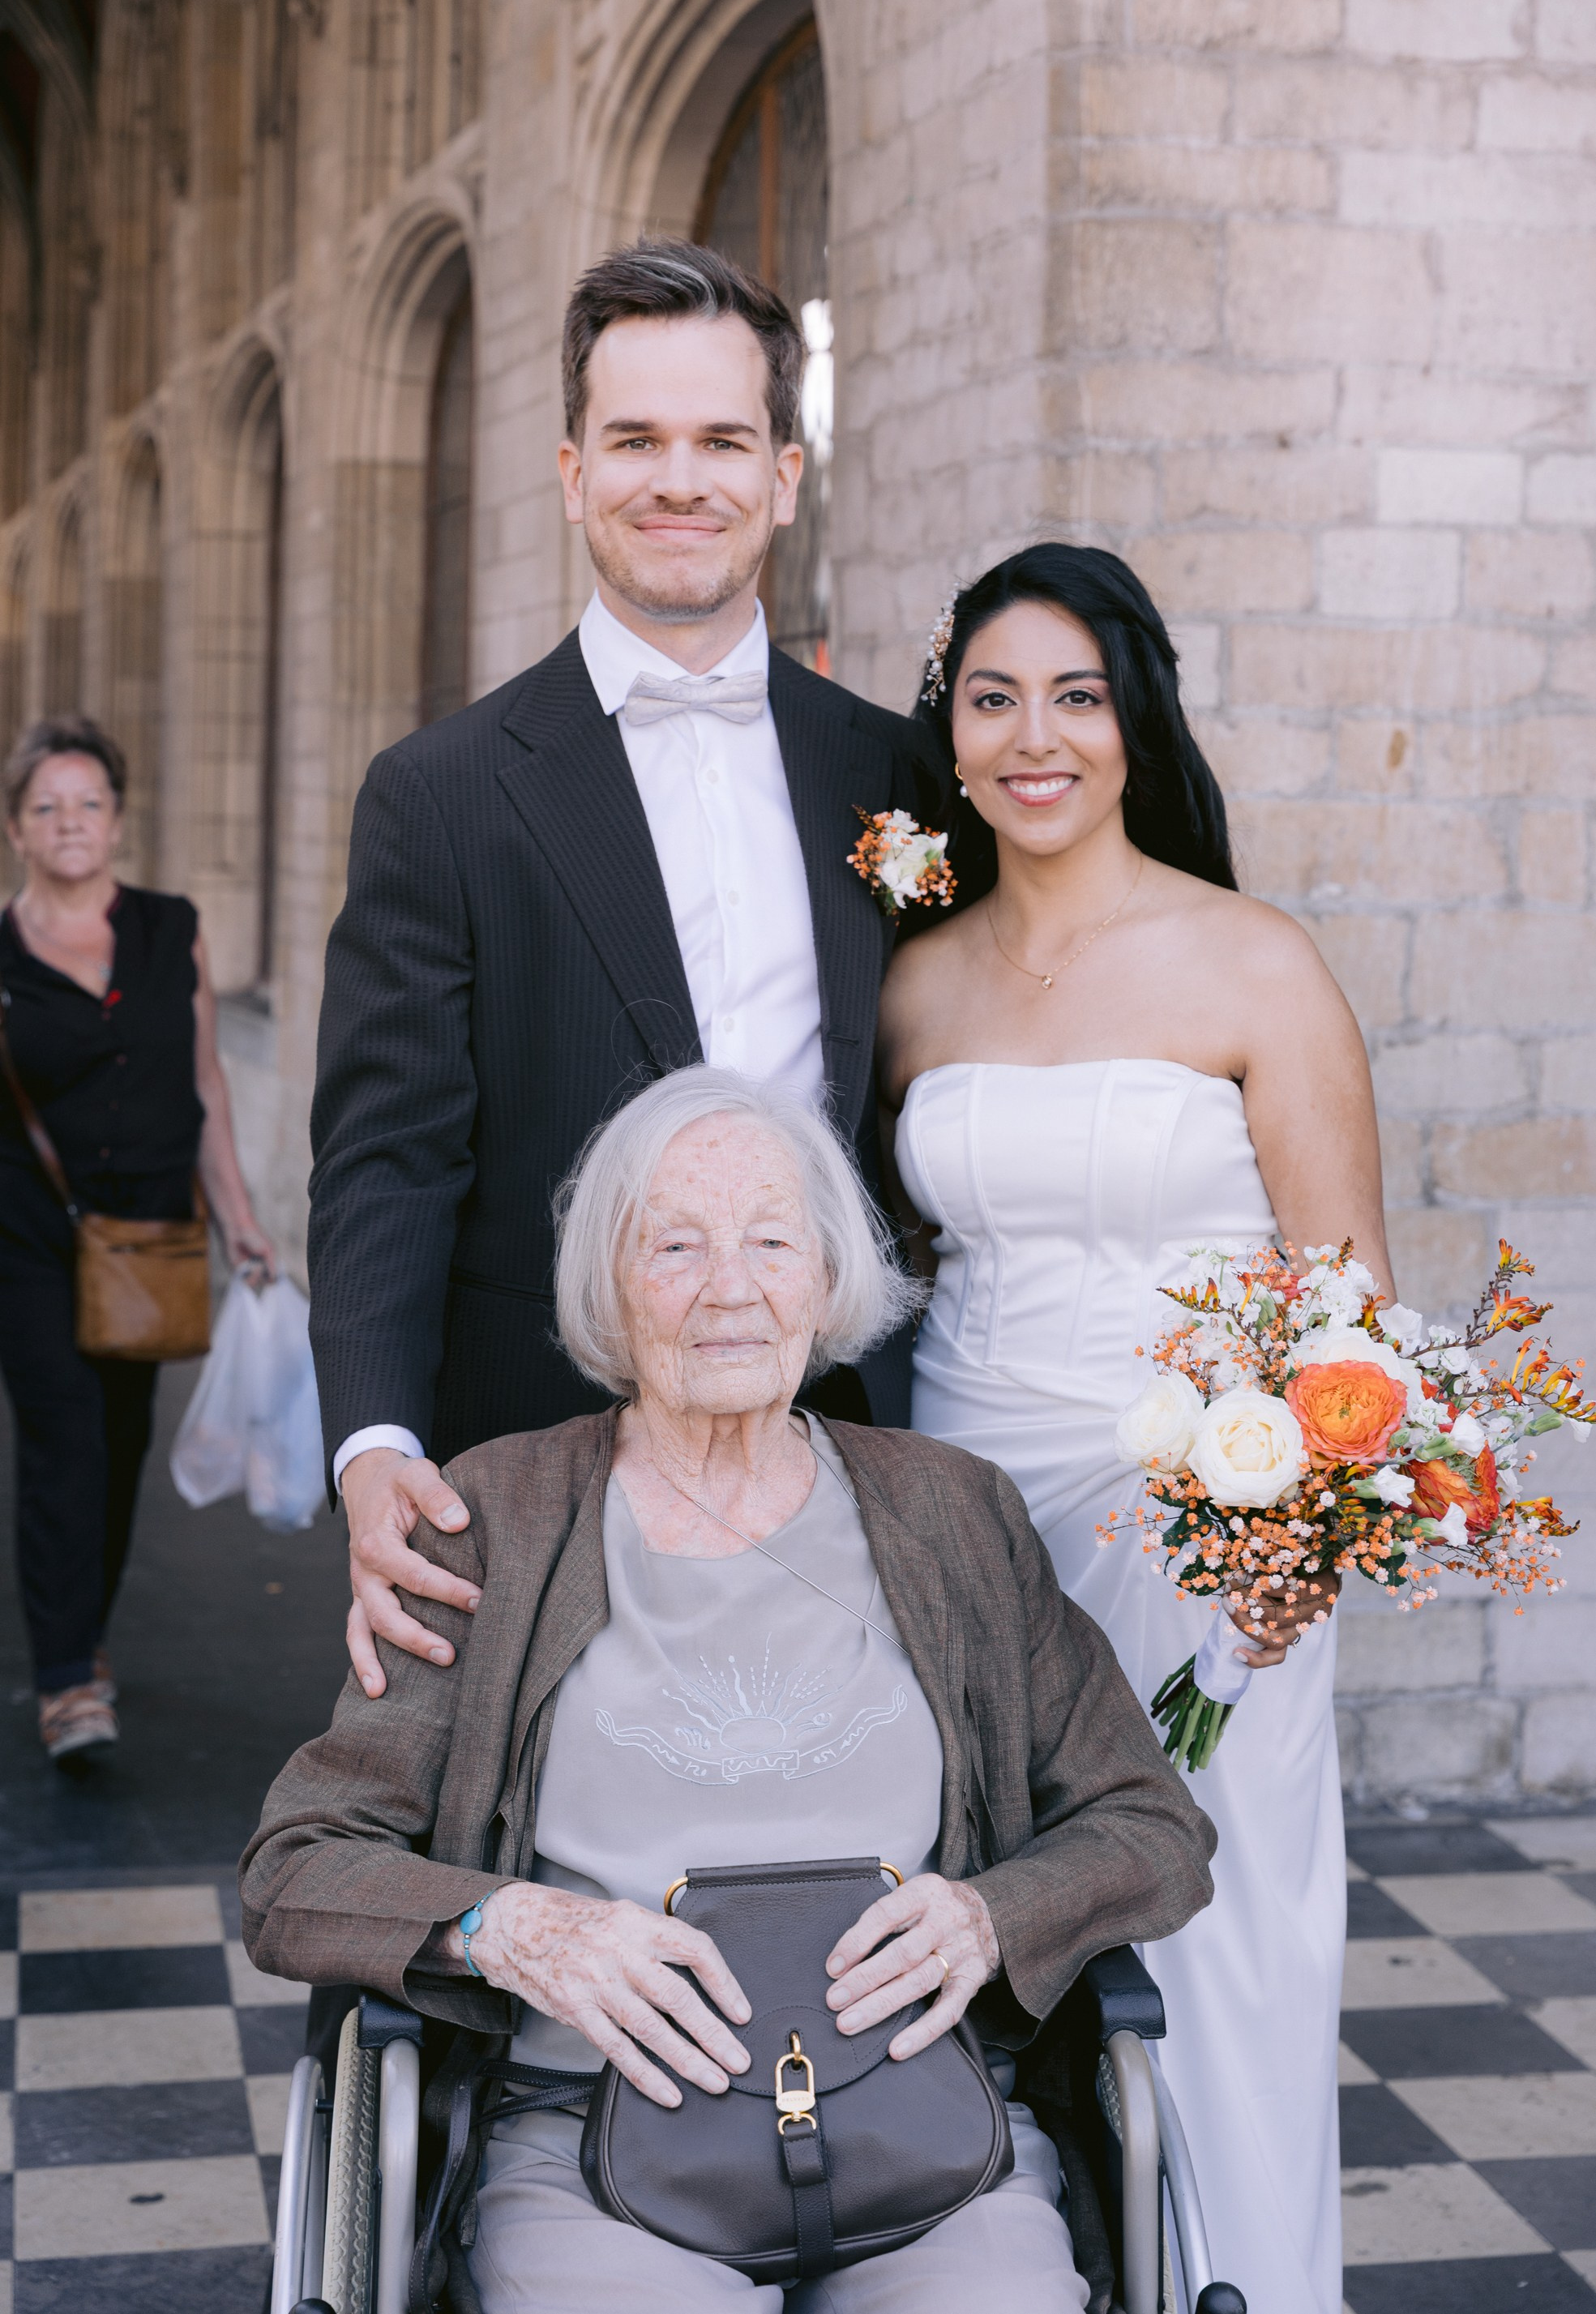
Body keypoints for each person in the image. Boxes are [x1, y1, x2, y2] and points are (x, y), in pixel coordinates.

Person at [243, 1068, 1214, 2313]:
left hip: (924, 2132)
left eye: (770, 1240)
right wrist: (511, 1926)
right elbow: (297, 1865)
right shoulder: (494, 1517)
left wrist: (992, 1915)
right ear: (609, 1282)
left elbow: (1152, 1825)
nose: (728, 1287)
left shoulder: (950, 1511)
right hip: (592, 2142)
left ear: (824, 1278)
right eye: (675, 1245)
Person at [313, 237, 946, 1700]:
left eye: (723, 439)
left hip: (850, 1442)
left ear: (786, 472)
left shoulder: (892, 771)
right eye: (635, 440)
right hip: (540, 1451)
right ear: (571, 469)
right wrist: (375, 1442)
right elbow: (383, 1157)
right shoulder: (444, 790)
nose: (681, 480)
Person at [875, 542, 1393, 2314]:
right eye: (994, 697)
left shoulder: (1254, 963)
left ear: (1131, 721)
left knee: (1219, 1936)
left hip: (1203, 1529)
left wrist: (1292, 1549)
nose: (1036, 738)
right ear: (949, 732)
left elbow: (1351, 1320)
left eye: (1076, 698)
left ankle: (1244, 2284)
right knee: (982, 1916)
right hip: (965, 1513)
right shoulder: (914, 986)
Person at [0, 716, 274, 1764]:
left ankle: (88, 1633)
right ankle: (69, 1679)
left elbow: (204, 1080)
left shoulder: (172, 928)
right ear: (19, 828)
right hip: (29, 1236)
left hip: (150, 1235)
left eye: (89, 803)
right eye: (46, 806)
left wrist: (240, 1219)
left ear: (117, 818)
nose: (71, 823)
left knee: (118, 1448)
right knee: (64, 1438)